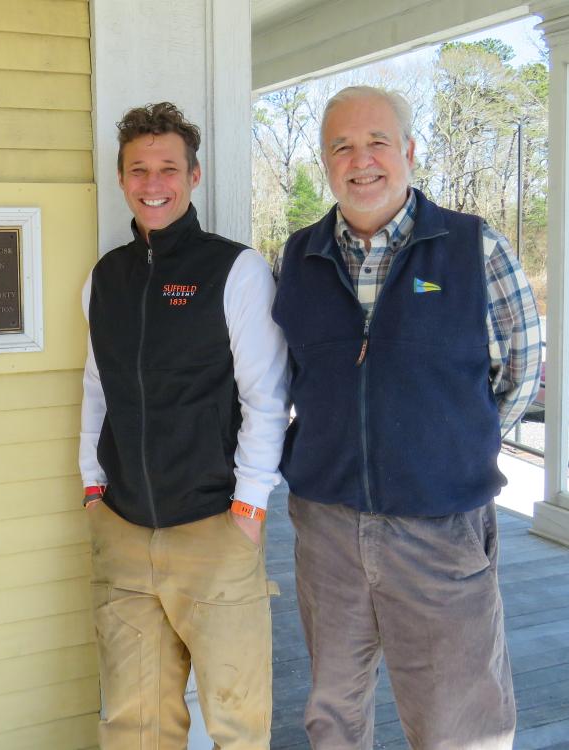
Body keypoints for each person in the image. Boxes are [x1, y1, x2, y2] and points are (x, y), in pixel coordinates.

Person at [271, 85, 542, 749]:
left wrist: (457, 445)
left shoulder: (475, 248)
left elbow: (522, 364)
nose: (360, 160)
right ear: (326, 163)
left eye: (376, 142)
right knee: (334, 711)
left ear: (410, 152)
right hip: (328, 527)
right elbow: (281, 378)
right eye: (342, 147)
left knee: (459, 721)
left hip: (439, 528)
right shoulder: (297, 258)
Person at [79, 102, 290, 749]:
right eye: (138, 169)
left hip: (214, 530)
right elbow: (96, 387)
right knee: (134, 724)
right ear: (121, 179)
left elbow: (266, 395)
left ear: (193, 176)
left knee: (237, 722)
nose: (153, 182)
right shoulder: (105, 278)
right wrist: (92, 486)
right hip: (122, 529)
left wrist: (249, 508)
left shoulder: (235, 270)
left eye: (168, 167)